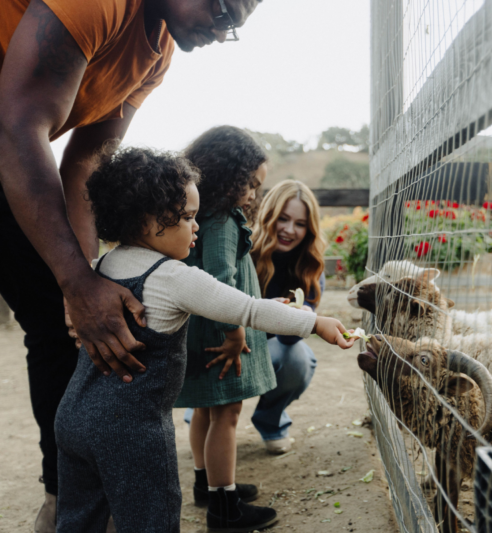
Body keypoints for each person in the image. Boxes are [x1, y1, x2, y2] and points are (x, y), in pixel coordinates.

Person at [0, 1, 261, 530]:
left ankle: (67, 495)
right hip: (9, 138)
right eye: (221, 7)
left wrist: (92, 272)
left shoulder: (159, 53)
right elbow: (18, 123)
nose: (223, 28)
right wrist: (75, 280)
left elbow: (86, 164)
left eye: (235, 23)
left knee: (67, 324)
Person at [54, 146, 355, 533]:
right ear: (149, 221)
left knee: (80, 521)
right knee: (151, 521)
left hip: (73, 416)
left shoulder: (100, 267)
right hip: (132, 429)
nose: (197, 227)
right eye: (188, 217)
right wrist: (314, 323)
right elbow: (247, 310)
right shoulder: (175, 277)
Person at [174, 127, 282, 528]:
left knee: (206, 408)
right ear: (227, 174)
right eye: (250, 184)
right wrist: (235, 333)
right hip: (222, 332)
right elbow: (220, 278)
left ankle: (207, 483)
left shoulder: (206, 214)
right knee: (228, 413)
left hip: (205, 329)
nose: (253, 194)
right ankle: (225, 506)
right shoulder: (221, 219)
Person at [250, 180, 328, 453]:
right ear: (269, 215)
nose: (289, 230)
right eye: (283, 219)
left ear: (309, 228)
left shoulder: (311, 267)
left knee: (299, 359)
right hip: (235, 341)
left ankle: (271, 422)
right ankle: (205, 406)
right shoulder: (245, 253)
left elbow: (289, 340)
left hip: (274, 349)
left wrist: (300, 318)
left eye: (300, 223)